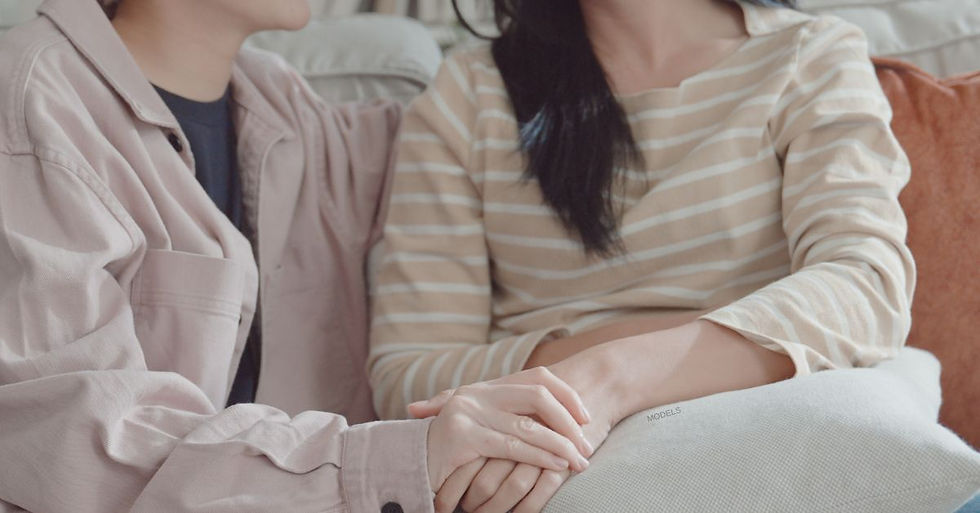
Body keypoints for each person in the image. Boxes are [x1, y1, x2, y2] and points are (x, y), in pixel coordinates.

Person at [0, 0, 596, 512]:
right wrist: (389, 461)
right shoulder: (31, 102)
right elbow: (77, 438)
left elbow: (466, 152)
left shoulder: (287, 108)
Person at [369, 0, 917, 511]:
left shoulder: (810, 55)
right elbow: (408, 375)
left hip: (777, 438)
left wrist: (609, 375)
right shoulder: (466, 96)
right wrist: (588, 385)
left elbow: (868, 289)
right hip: (558, 457)